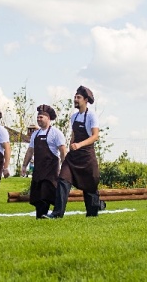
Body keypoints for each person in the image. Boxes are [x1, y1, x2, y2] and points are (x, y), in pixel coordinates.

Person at [44, 85, 100, 219]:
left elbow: (95, 136)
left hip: (86, 155)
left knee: (90, 184)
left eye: (78, 97)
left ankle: (94, 210)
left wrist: (79, 144)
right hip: (74, 156)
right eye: (75, 97)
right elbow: (74, 134)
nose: (75, 99)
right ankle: (57, 213)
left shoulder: (92, 116)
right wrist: (71, 145)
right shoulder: (73, 117)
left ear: (86, 100)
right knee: (63, 179)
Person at [21, 104, 67, 219]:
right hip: (38, 170)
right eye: (38, 117)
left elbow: (62, 151)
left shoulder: (56, 133)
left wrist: (64, 167)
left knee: (48, 193)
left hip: (51, 171)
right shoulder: (35, 134)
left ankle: (55, 214)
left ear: (48, 118)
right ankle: (40, 216)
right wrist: (24, 166)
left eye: (41, 117)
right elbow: (30, 151)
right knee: (38, 196)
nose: (38, 119)